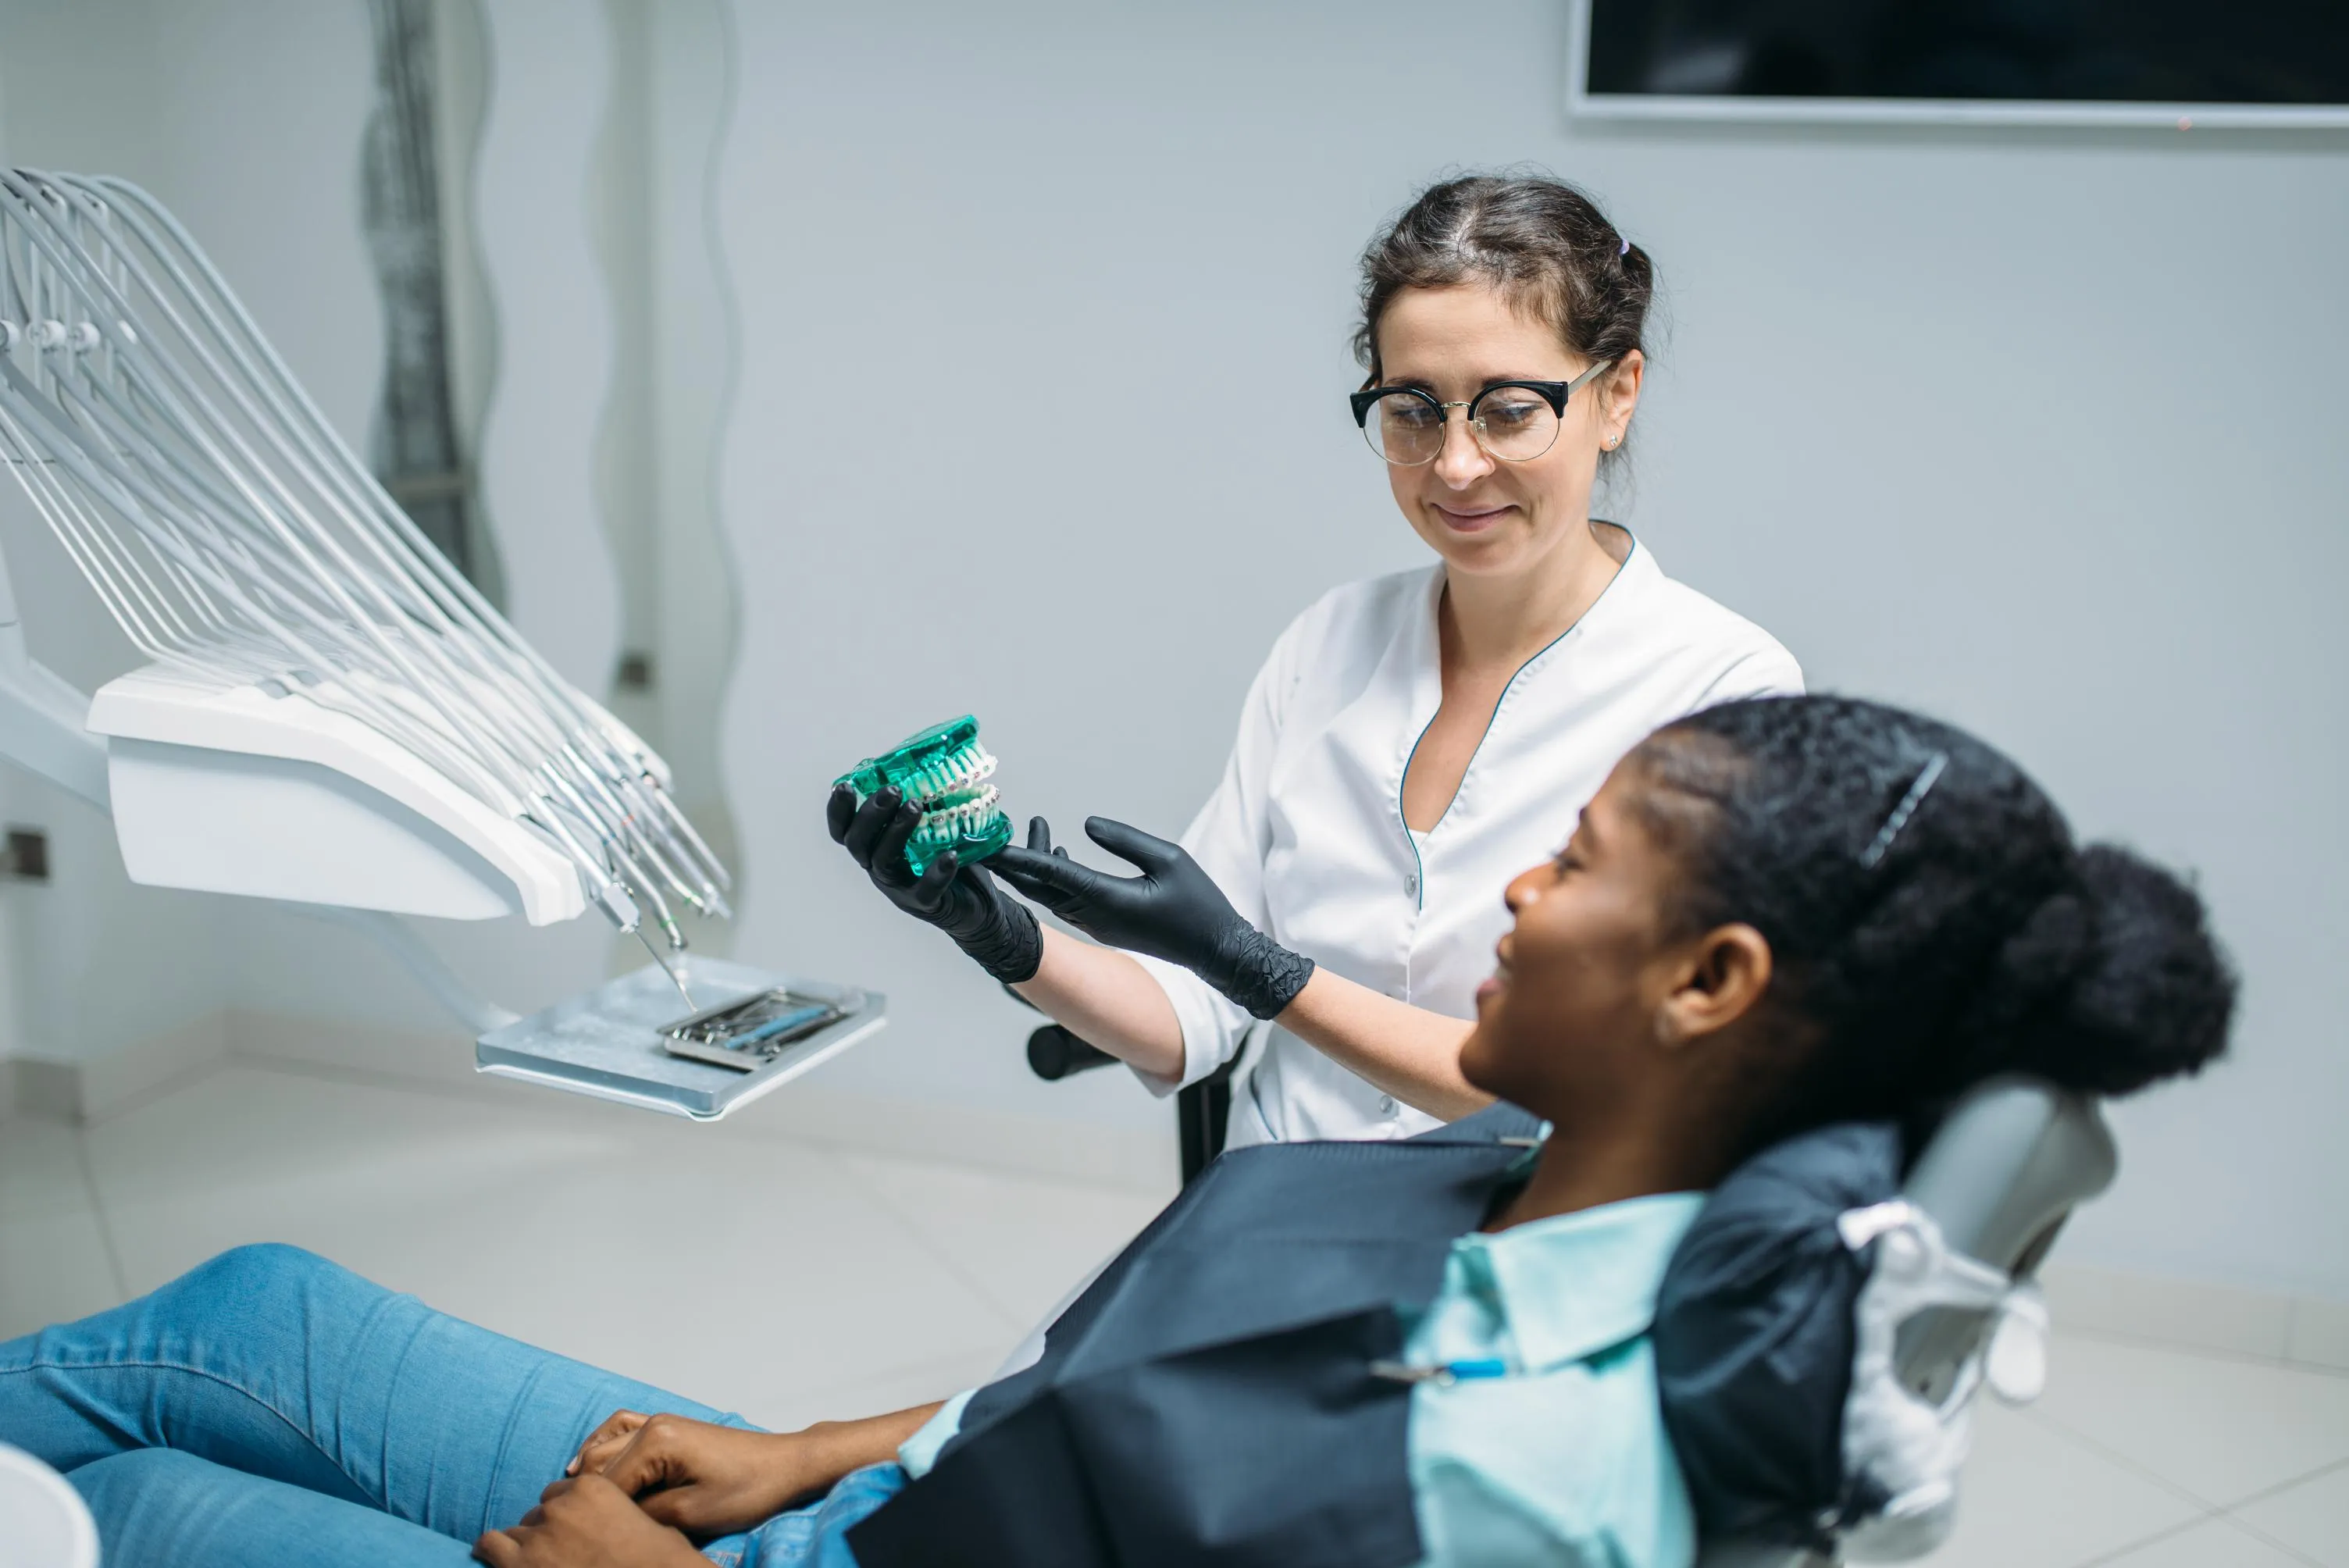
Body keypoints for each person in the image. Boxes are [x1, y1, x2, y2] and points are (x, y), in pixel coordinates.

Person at [1, 696, 2233, 1568]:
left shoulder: (1509, 1491)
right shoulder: (1577, 1184)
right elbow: (1155, 1401)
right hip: (883, 1515)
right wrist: (822, 1451)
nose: (1515, 896)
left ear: (1712, 986)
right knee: (253, 1308)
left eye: (1578, 866)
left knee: (116, 1510)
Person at [831, 173, 1803, 1146]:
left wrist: (1266, 974)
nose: (1455, 465)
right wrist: (996, 933)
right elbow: (1185, 1016)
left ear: (1616, 394)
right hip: (1272, 1204)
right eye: (1413, 410)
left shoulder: (1723, 693)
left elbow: (1616, 1095)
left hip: (1515, 1237)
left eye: (1508, 409)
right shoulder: (1327, 645)